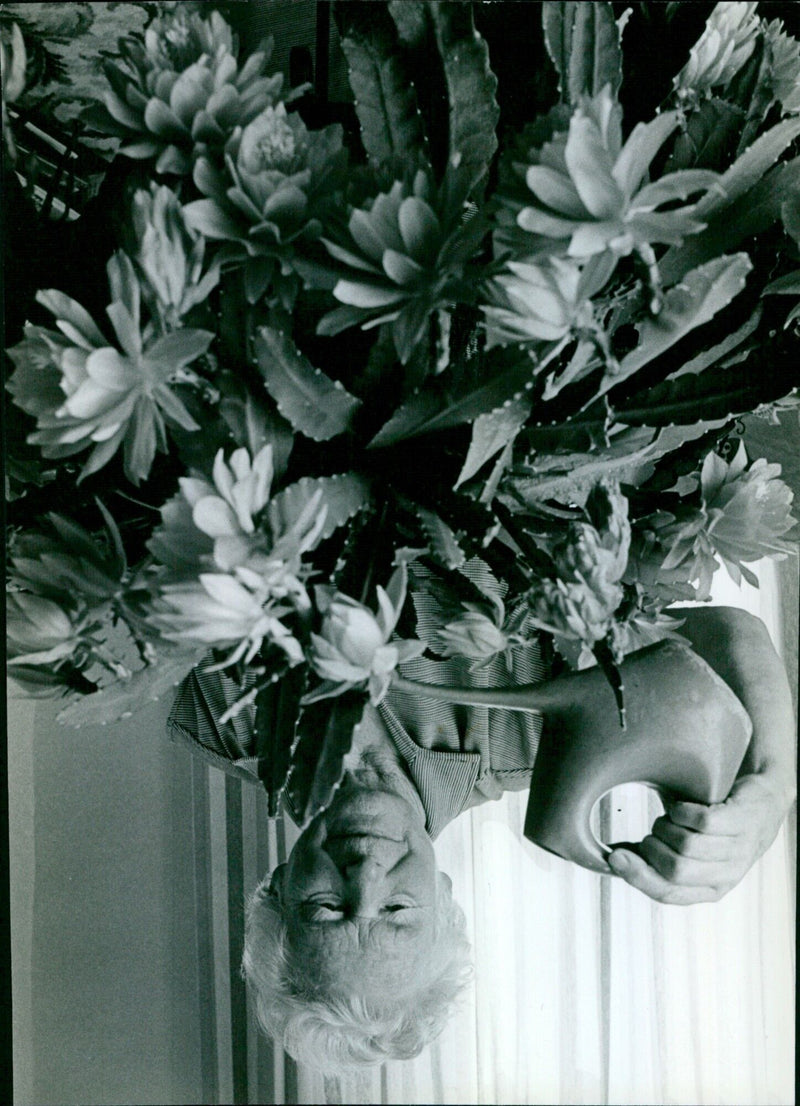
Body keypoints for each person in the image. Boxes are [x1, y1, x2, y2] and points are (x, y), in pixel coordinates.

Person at [167, 602, 796, 1073]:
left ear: (279, 885)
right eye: (397, 910)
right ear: (442, 895)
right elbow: (715, 631)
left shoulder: (229, 726)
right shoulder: (536, 747)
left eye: (327, 908)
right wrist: (770, 789)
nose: (363, 871)